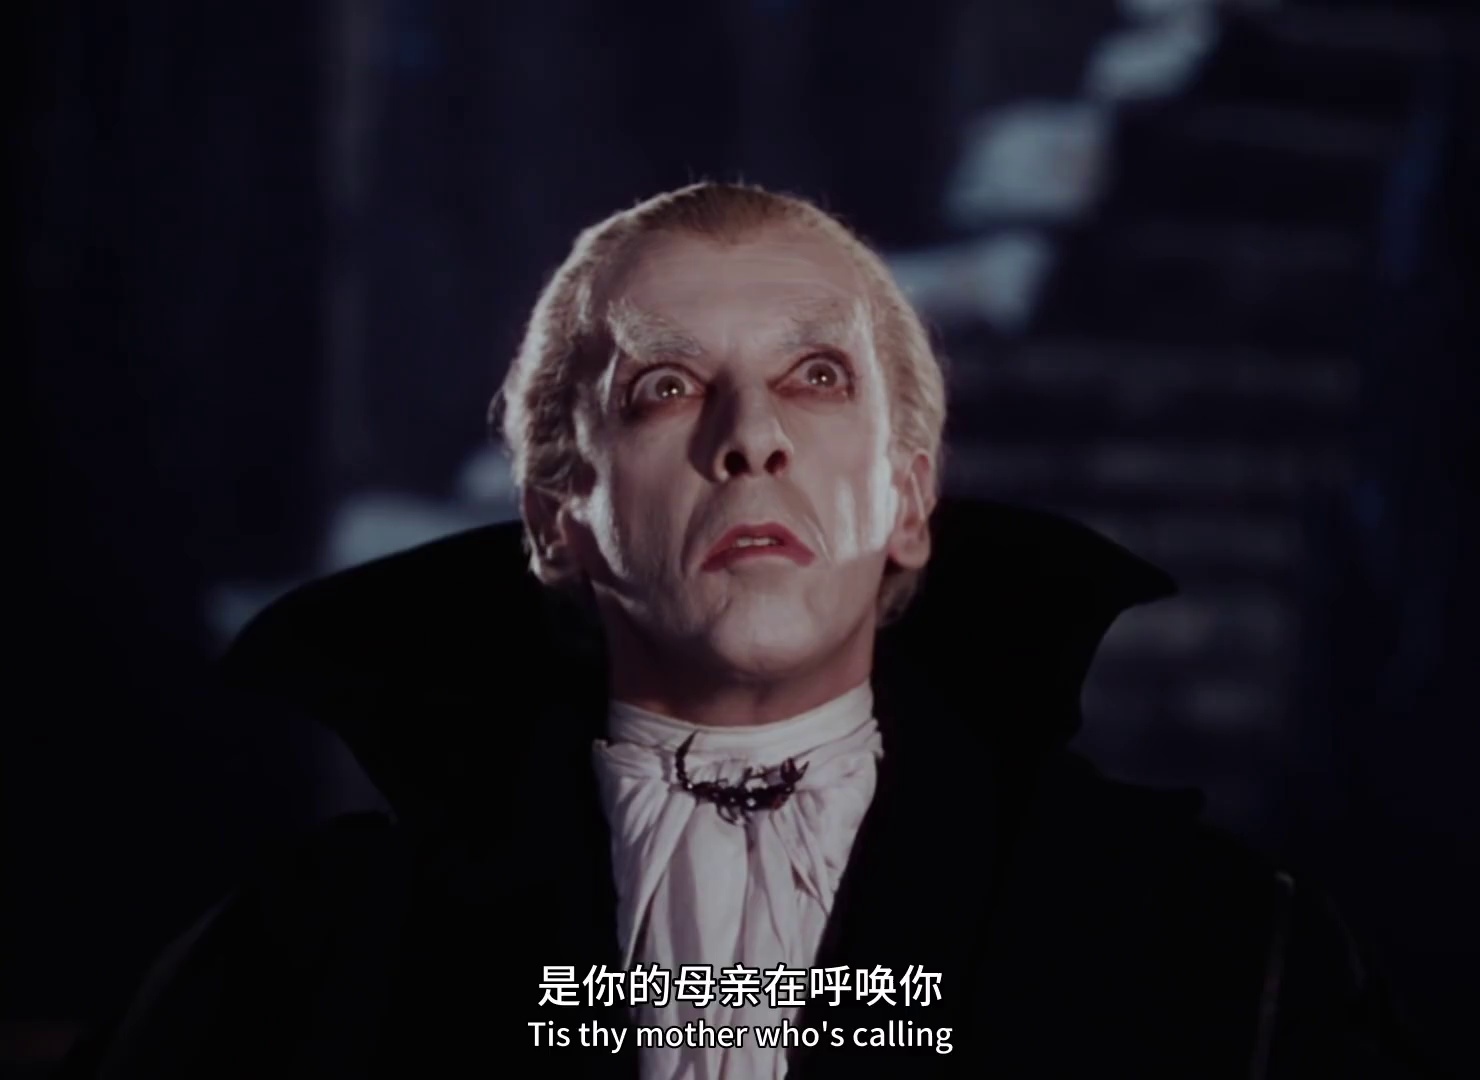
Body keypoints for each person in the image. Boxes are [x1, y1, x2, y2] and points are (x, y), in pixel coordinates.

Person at [61, 183, 1438, 1079]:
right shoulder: (313, 961)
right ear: (557, 519)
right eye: (665, 386)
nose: (751, 437)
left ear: (909, 499)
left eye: (818, 376)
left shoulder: (1211, 943)